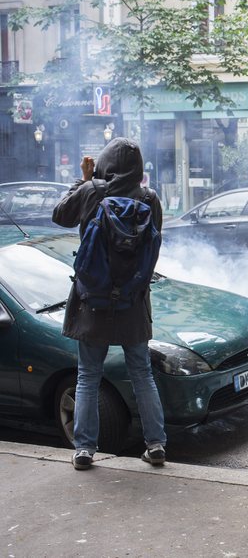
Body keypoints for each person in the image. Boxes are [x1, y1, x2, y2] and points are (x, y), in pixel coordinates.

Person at [52, 138, 166, 471]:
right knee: (142, 373)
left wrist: (84, 180)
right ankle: (156, 444)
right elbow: (154, 246)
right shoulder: (149, 198)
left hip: (93, 303)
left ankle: (85, 449)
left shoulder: (92, 192)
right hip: (133, 301)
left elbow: (60, 215)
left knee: (87, 375)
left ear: (105, 163)